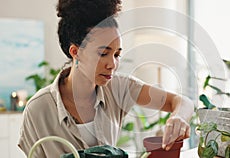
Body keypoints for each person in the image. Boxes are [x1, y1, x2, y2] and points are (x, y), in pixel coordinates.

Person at [18, 0, 194, 157]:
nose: (112, 64)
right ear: (75, 52)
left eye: (117, 55)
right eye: (103, 53)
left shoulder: (119, 88)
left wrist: (179, 117)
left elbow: (181, 102)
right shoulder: (38, 110)